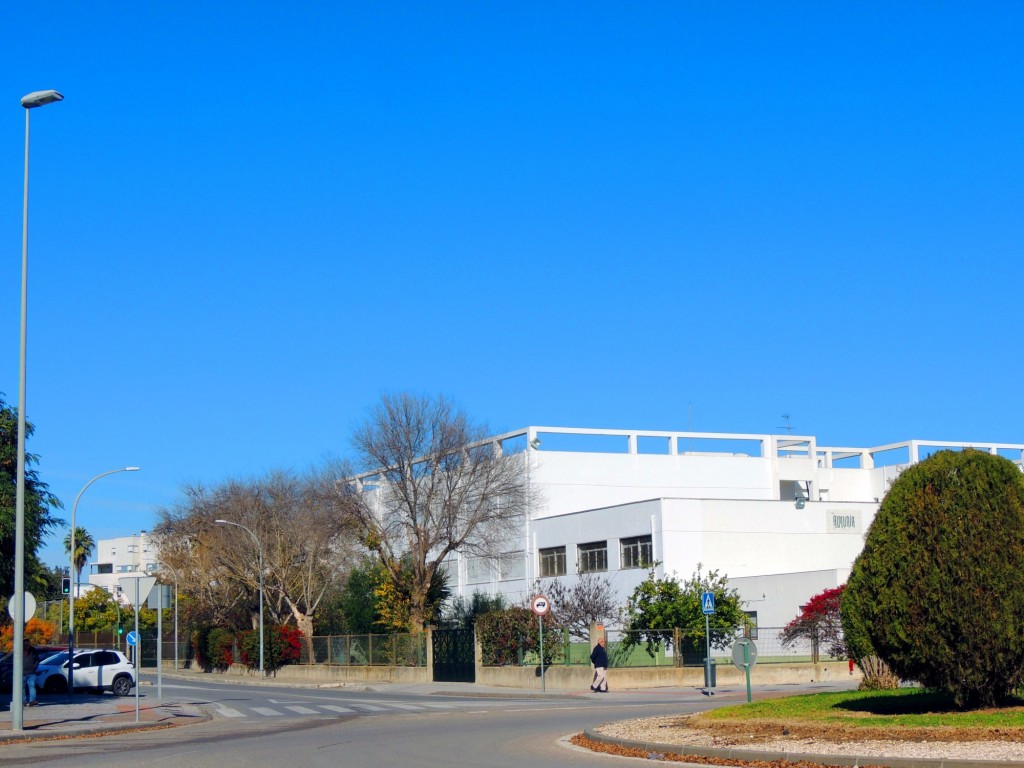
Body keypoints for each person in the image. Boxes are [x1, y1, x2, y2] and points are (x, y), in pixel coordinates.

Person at [23, 639, 40, 707]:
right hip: (22, 673)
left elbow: (37, 660)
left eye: (28, 643)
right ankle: (23, 701)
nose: (26, 645)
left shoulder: (33, 650)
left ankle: (32, 701)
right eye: (25, 644)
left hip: (31, 672)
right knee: (22, 688)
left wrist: (34, 667)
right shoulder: (20, 649)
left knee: (32, 686)